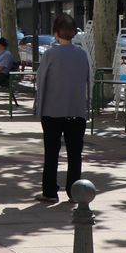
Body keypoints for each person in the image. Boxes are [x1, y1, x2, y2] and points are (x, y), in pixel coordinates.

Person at [32, 15, 90, 202]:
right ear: (74, 33)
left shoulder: (50, 54)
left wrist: (38, 108)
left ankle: (49, 192)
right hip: (76, 111)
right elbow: (89, 81)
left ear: (56, 33)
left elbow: (41, 82)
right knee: (75, 154)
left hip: (52, 111)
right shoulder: (82, 54)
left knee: (51, 153)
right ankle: (75, 192)